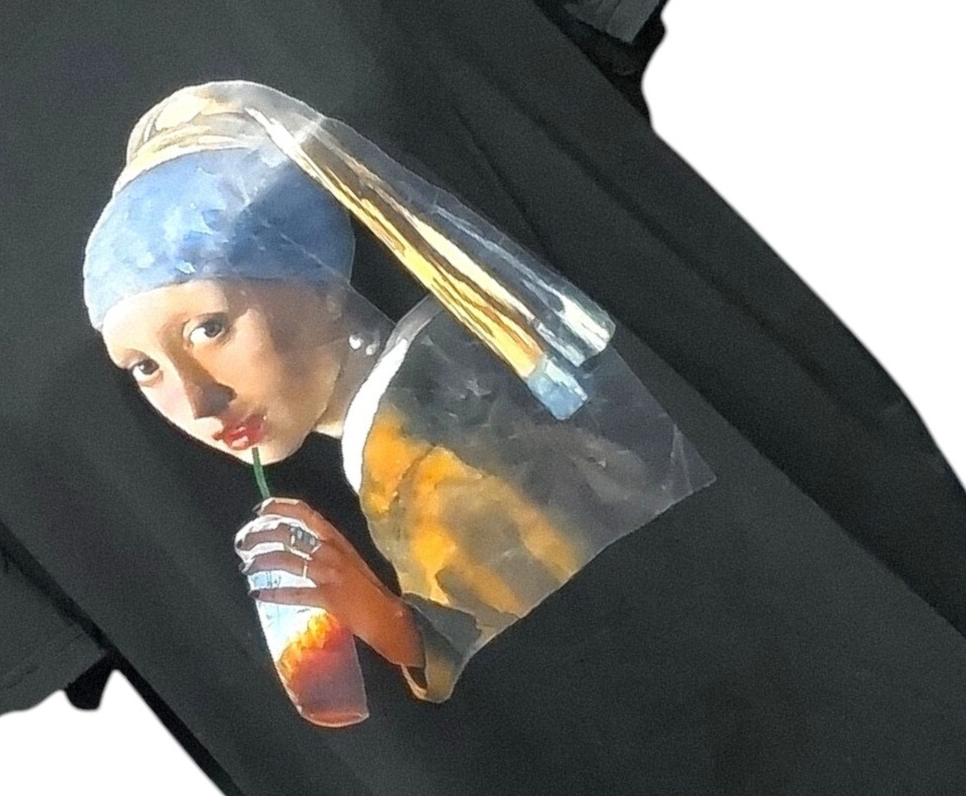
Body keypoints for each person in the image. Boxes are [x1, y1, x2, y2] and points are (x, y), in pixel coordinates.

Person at [81, 79, 715, 707]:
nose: (197, 401)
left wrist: (391, 624)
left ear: (321, 286)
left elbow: (591, 665)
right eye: (145, 367)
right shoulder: (453, 381)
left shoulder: (439, 472)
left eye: (209, 329)